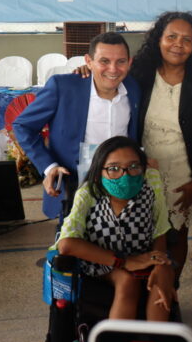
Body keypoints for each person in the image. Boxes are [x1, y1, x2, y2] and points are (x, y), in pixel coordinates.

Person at [132, 11, 192, 285]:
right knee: (143, 234)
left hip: (185, 173)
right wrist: (84, 71)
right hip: (144, 170)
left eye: (186, 39)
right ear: (159, 39)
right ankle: (147, 292)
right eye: (171, 37)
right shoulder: (140, 74)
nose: (178, 44)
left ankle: (171, 291)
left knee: (176, 235)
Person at [14, 32, 141, 219]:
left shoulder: (134, 88)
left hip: (121, 185)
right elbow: (23, 126)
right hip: (73, 186)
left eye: (120, 61)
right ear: (89, 61)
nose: (113, 69)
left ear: (129, 62)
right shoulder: (63, 87)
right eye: (104, 61)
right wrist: (49, 167)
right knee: (72, 236)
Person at [56, 136, 175, 321]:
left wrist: (161, 265)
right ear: (99, 172)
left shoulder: (150, 184)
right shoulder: (89, 193)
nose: (125, 175)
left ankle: (157, 335)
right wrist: (124, 262)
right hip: (104, 263)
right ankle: (118, 337)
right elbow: (66, 245)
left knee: (161, 281)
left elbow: (160, 228)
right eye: (113, 168)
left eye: (134, 166)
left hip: (145, 257)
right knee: (127, 281)